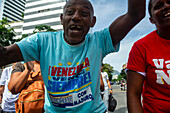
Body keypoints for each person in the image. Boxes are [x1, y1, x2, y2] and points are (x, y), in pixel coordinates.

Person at [0, 0, 145, 112]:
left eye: (84, 13)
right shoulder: (42, 42)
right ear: (62, 19)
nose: (76, 17)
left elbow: (136, 14)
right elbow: (5, 55)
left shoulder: (99, 41)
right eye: (70, 12)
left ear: (93, 21)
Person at [126, 0, 170, 113]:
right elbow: (133, 94)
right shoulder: (141, 47)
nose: (166, 6)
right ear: (152, 20)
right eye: (159, 6)